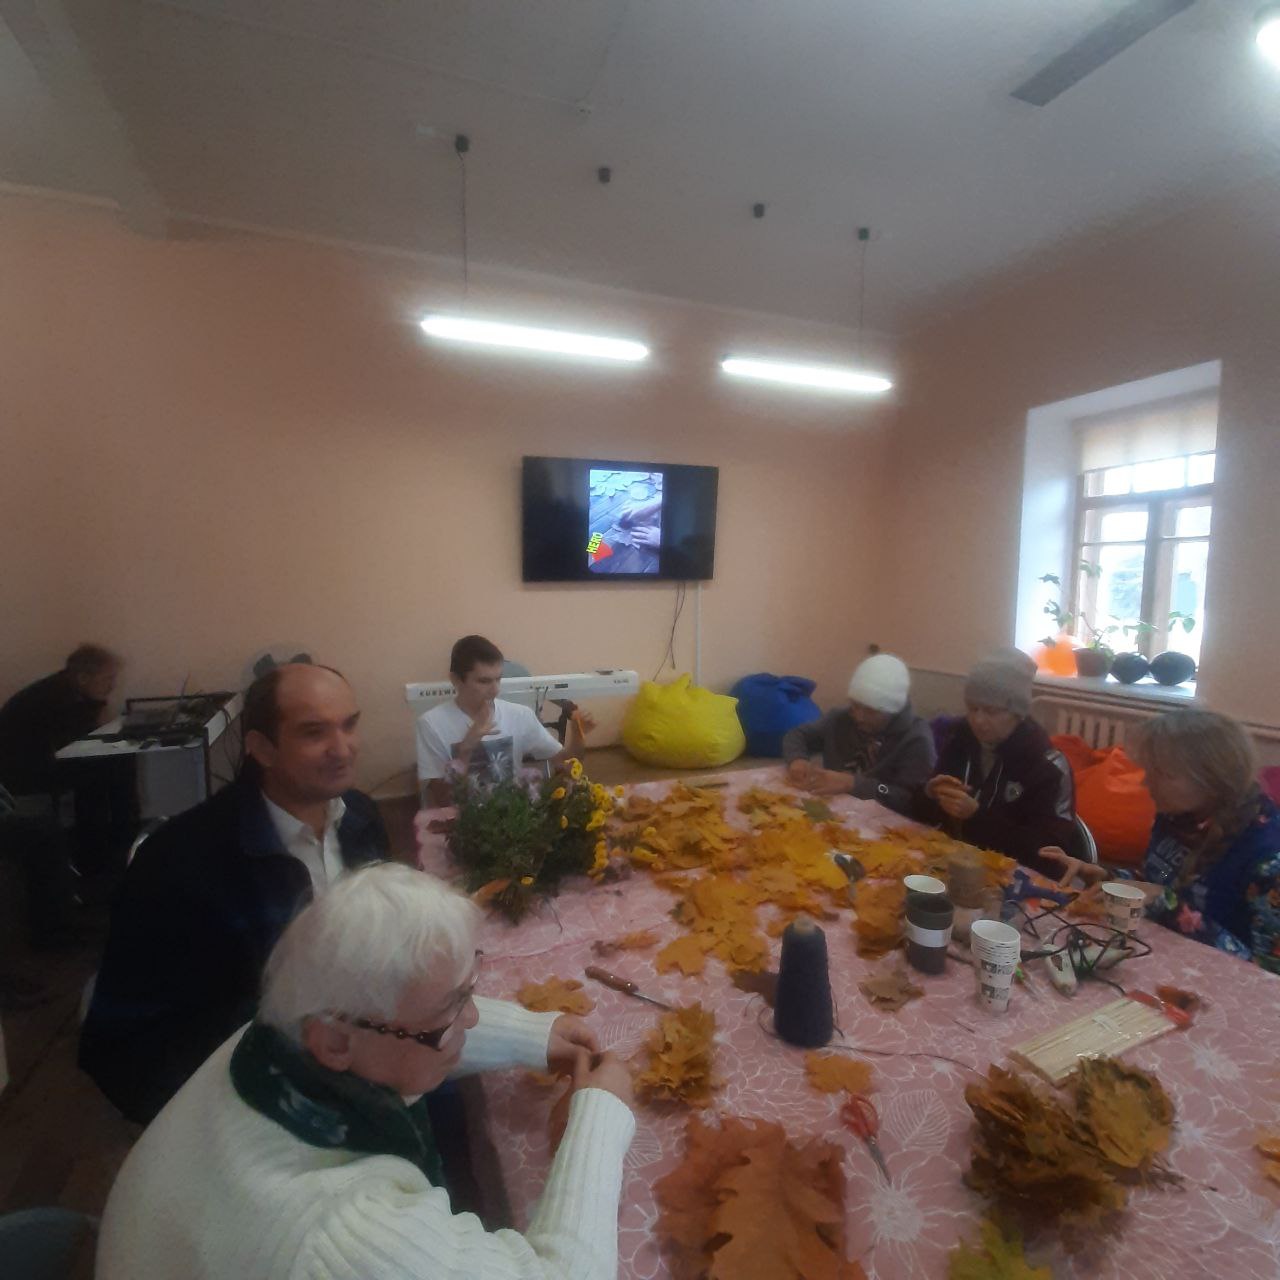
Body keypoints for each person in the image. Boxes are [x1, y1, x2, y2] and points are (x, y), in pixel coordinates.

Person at [97, 863, 634, 1280]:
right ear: (333, 1042)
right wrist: (598, 1121)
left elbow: (403, 1021)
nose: (471, 1018)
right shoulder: (340, 1235)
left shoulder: (281, 1033)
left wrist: (528, 1034)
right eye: (454, 1008)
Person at [80, 663, 390, 1124]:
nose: (342, 749)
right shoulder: (181, 863)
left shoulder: (360, 819)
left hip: (358, 1062)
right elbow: (124, 1042)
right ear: (261, 748)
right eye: (314, 733)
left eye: (349, 725)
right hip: (248, 1101)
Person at [1042, 710, 1280, 972]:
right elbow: (1160, 880)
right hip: (1162, 958)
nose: (1146, 782)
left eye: (1163, 774)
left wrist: (1169, 906)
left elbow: (1268, 970)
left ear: (1212, 777)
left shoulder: (1267, 855)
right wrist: (1108, 877)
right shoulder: (1178, 817)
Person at [910, 648, 1074, 870]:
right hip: (954, 864)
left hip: (1011, 876)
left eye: (991, 711)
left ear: (1017, 713)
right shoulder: (959, 741)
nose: (978, 720)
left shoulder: (1047, 767)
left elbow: (1050, 854)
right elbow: (922, 817)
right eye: (973, 708)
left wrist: (976, 817)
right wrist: (929, 795)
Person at [417, 635, 595, 807]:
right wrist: (466, 749)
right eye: (484, 681)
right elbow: (443, 800)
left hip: (513, 818)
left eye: (498, 679)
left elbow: (566, 763)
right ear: (456, 680)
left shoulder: (519, 715)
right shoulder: (431, 723)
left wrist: (578, 735)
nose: (495, 690)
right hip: (464, 821)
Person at [782, 653, 935, 815]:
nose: (859, 717)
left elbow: (906, 798)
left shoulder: (917, 740)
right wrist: (797, 759)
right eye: (855, 705)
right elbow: (797, 735)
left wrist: (854, 784)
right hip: (831, 812)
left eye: (871, 711)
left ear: (892, 711)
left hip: (882, 822)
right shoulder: (841, 718)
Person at [0, 644, 122, 796]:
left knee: (111, 761)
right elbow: (75, 745)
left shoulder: (63, 687)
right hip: (21, 772)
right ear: (83, 678)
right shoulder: (57, 698)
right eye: (107, 679)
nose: (112, 686)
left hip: (30, 764)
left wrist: (99, 704)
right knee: (112, 765)